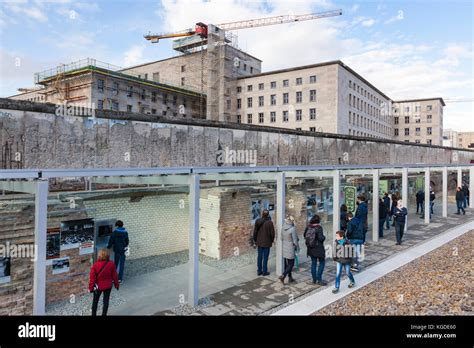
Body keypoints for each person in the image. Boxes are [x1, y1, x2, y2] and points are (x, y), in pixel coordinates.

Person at [89, 249, 119, 316]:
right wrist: (117, 285)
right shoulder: (111, 264)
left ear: (99, 256)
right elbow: (115, 276)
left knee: (95, 302)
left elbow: (92, 279)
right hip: (108, 286)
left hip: (98, 287)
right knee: (106, 301)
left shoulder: (95, 265)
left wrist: (91, 288)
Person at [304, 215, 327, 286]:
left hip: (311, 248)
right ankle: (319, 279)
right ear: (318, 221)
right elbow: (321, 238)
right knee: (322, 262)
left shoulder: (308, 227)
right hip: (318, 248)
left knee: (313, 263)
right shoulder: (319, 228)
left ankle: (314, 279)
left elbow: (304, 235)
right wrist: (324, 237)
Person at [253, 209, 275, 276]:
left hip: (259, 242)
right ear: (268, 215)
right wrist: (271, 240)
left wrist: (255, 240)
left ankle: (259, 271)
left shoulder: (257, 221)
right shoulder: (270, 223)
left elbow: (255, 232)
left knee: (259, 256)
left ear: (262, 214)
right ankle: (264, 271)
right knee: (265, 257)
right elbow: (272, 234)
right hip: (267, 243)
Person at [279, 215, 299, 284]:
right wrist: (297, 248)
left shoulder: (283, 227)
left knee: (287, 264)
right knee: (291, 264)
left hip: (284, 246)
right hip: (290, 247)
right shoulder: (292, 229)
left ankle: (290, 277)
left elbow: (281, 238)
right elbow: (295, 240)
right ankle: (283, 275)